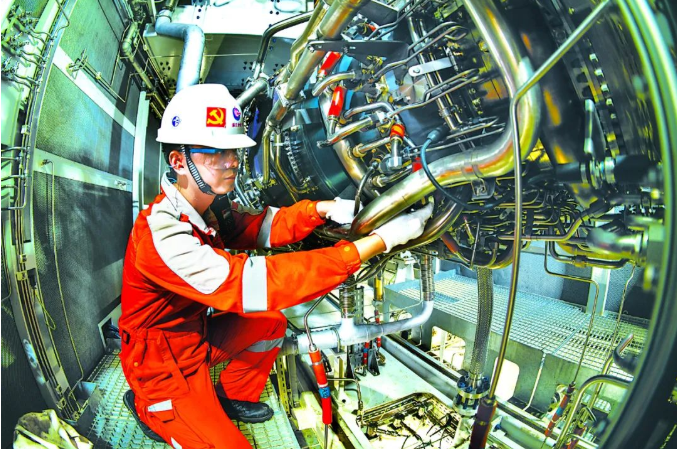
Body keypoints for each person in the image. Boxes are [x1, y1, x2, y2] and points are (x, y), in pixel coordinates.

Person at [118, 83, 433, 449]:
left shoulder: (208, 208)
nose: (232, 161)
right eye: (216, 153)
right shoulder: (161, 233)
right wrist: (376, 242)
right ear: (178, 162)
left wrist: (323, 209)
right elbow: (253, 284)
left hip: (195, 336)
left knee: (271, 324)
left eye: (234, 150)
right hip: (160, 366)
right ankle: (150, 408)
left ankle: (232, 395)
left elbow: (261, 226)